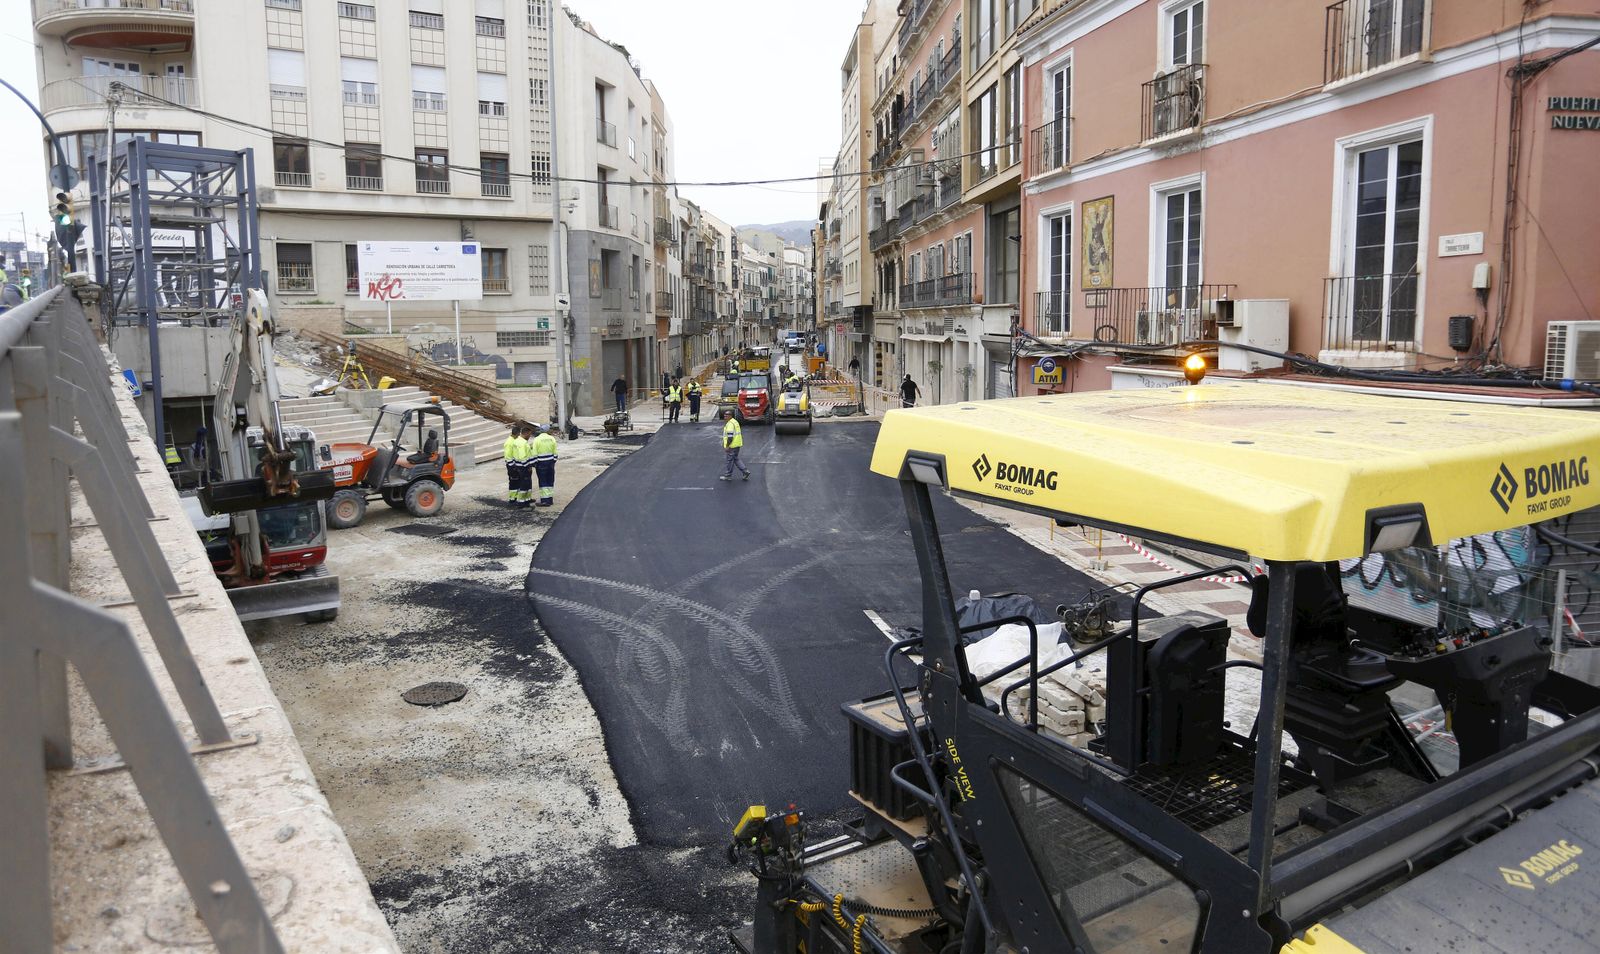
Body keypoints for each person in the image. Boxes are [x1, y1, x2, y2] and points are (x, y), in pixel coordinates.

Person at [529, 425, 559, 508]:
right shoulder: (552, 438)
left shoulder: (537, 439)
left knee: (543, 482)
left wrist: (533, 464)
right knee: (550, 481)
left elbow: (534, 453)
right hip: (550, 463)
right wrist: (553, 461)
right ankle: (550, 499)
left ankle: (545, 501)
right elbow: (555, 452)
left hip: (541, 463)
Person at [502, 424, 529, 506]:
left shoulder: (512, 441)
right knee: (513, 481)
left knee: (516, 481)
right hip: (511, 465)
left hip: (513, 465)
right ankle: (512, 498)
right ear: (517, 434)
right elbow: (508, 455)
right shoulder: (510, 442)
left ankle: (514, 497)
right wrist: (513, 466)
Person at [720, 415, 750, 482]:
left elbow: (730, 437)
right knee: (736, 459)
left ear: (730, 416)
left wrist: (727, 446)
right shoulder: (735, 422)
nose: (724, 417)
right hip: (737, 444)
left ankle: (728, 475)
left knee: (729, 460)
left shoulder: (730, 424)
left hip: (732, 446)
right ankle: (745, 471)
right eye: (724, 416)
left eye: (726, 416)